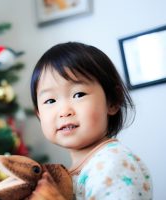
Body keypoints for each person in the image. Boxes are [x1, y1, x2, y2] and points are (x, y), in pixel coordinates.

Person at [29, 42, 152, 199]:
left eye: (79, 94)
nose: (64, 111)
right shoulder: (72, 174)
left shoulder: (112, 163)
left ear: (112, 101)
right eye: (50, 101)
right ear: (39, 113)